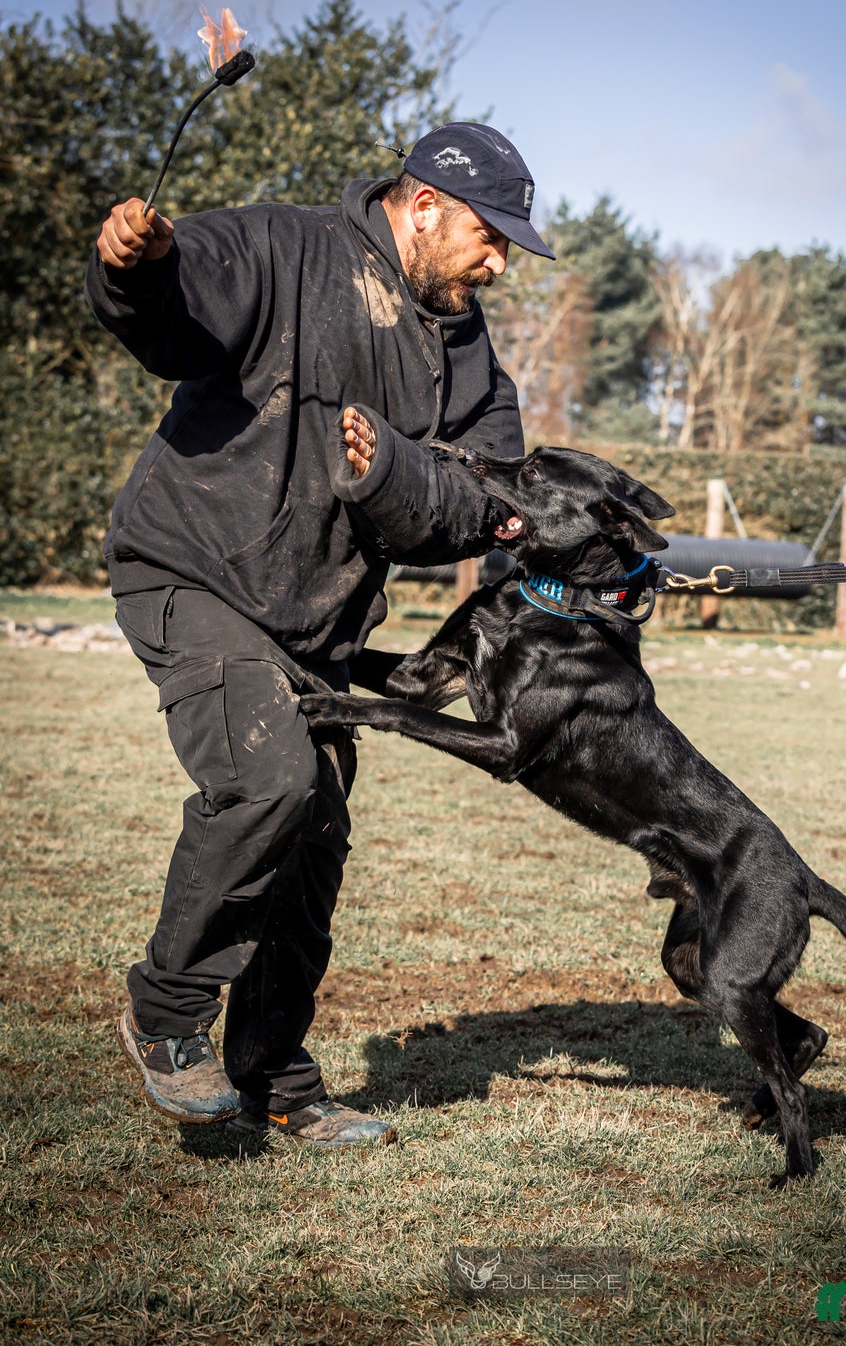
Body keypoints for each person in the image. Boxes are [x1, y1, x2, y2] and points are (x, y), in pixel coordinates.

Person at [86, 122, 554, 1145]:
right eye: (488, 233)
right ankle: (167, 1014)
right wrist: (134, 266)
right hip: (194, 570)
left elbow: (483, 501)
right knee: (272, 781)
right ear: (422, 203)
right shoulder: (279, 248)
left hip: (317, 623)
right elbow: (169, 314)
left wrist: (391, 469)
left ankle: (272, 1084)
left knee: (317, 836)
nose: (500, 261)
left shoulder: (465, 348)